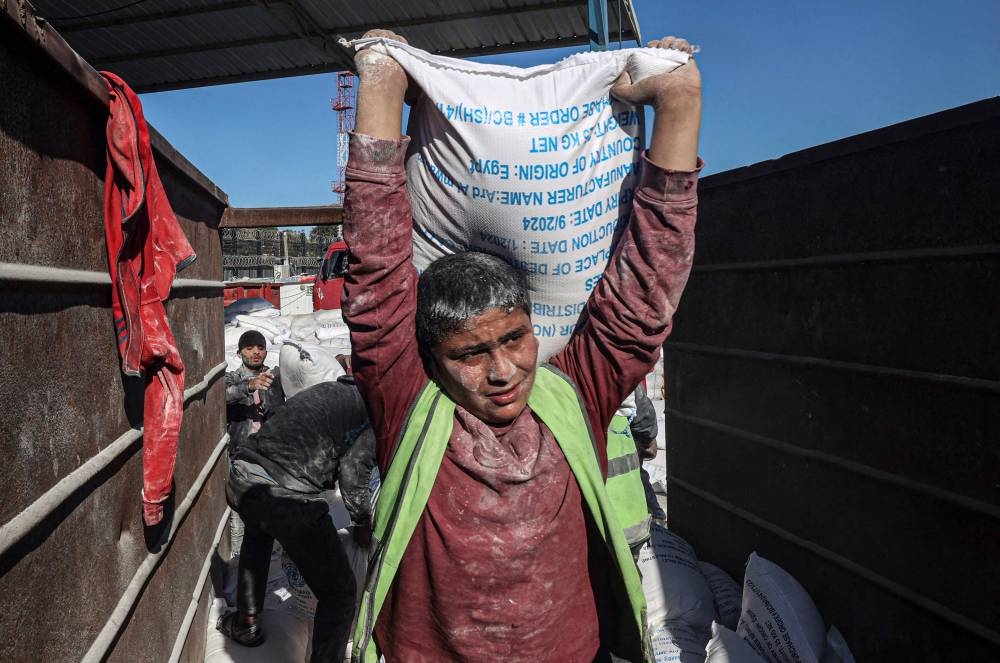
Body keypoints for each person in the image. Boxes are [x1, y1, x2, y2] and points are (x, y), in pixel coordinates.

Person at [343, 29, 701, 662]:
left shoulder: (572, 398)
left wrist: (679, 104)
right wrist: (380, 88)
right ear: (432, 358)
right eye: (470, 354)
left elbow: (644, 295)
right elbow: (377, 275)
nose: (504, 371)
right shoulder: (412, 407)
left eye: (515, 339)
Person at [217, 374, 377, 663]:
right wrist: (363, 524)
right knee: (340, 596)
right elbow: (354, 478)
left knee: (259, 533)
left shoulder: (329, 391)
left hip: (244, 476)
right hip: (287, 497)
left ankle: (246, 622)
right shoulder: (369, 412)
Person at [225, 330, 285, 454]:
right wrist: (249, 385)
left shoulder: (275, 377)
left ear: (266, 353)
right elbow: (224, 395)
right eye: (249, 348)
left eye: (261, 348)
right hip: (241, 448)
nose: (256, 352)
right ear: (238, 354)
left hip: (273, 447)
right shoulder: (231, 379)